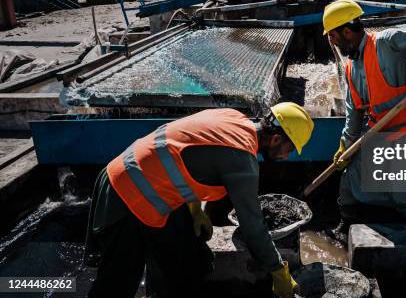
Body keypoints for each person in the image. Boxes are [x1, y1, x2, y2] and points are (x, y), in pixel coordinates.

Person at [84, 102, 314, 298]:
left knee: (190, 263)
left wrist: (194, 210)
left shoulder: (234, 118)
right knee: (116, 285)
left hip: (143, 180)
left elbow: (188, 153)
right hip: (131, 192)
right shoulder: (242, 160)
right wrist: (278, 271)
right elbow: (253, 226)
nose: (286, 157)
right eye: (290, 149)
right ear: (275, 139)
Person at [322, 0, 406, 236]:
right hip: (380, 131)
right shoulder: (350, 68)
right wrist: (345, 146)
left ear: (347, 31)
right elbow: (353, 114)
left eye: (332, 37)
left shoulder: (385, 43)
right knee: (351, 176)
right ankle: (346, 223)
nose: (331, 42)